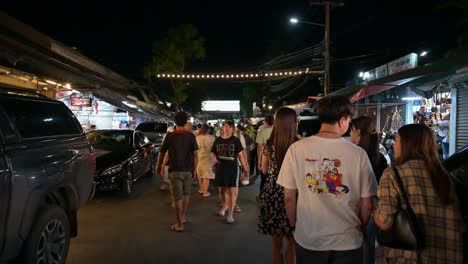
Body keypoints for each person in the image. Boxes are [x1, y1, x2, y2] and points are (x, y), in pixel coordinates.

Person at [277, 95, 377, 264]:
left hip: (309, 239)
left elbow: (289, 196)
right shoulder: (358, 154)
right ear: (342, 120)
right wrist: (360, 226)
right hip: (348, 241)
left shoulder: (296, 149)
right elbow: (367, 203)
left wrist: (294, 226)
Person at [373, 124, 463, 263]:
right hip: (445, 256)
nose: (394, 146)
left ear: (408, 145)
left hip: (409, 257)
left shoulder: (393, 174)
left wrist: (374, 214)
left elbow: (385, 222)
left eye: (397, 141)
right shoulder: (444, 176)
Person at [258, 107, 298, 264]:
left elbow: (264, 169)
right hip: (293, 193)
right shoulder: (298, 145)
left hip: (272, 193)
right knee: (291, 242)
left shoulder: (269, 145)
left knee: (276, 245)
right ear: (293, 124)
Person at [349, 116, 389, 264]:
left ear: (358, 132)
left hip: (358, 205)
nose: (350, 134)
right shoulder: (379, 158)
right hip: (375, 207)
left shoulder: (354, 157)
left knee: (357, 246)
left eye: (352, 131)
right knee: (368, 246)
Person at [157, 112, 198, 232]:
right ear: (185, 122)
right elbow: (195, 155)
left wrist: (159, 165)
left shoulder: (170, 136)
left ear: (175, 122)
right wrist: (195, 169)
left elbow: (162, 152)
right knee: (186, 194)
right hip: (188, 170)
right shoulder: (191, 136)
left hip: (175, 171)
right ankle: (183, 217)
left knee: (177, 198)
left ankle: (179, 224)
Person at [211, 119, 249, 224]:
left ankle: (230, 214)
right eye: (225, 126)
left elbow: (240, 156)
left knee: (232, 191)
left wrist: (245, 169)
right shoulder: (218, 140)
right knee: (222, 191)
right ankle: (225, 205)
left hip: (233, 168)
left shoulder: (235, 140)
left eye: (229, 126)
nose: (226, 128)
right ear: (222, 128)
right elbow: (213, 152)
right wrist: (214, 158)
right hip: (220, 168)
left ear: (233, 129)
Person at [196, 124, 215, 196]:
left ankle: (201, 189)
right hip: (208, 158)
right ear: (208, 130)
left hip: (199, 157)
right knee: (206, 175)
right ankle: (205, 191)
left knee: (200, 173)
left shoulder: (197, 137)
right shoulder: (211, 138)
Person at [256, 115, 274, 194]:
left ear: (265, 122)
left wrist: (259, 161)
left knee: (264, 178)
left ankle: (262, 195)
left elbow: (260, 147)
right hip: (275, 158)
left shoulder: (261, 132)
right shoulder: (277, 131)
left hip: (265, 158)